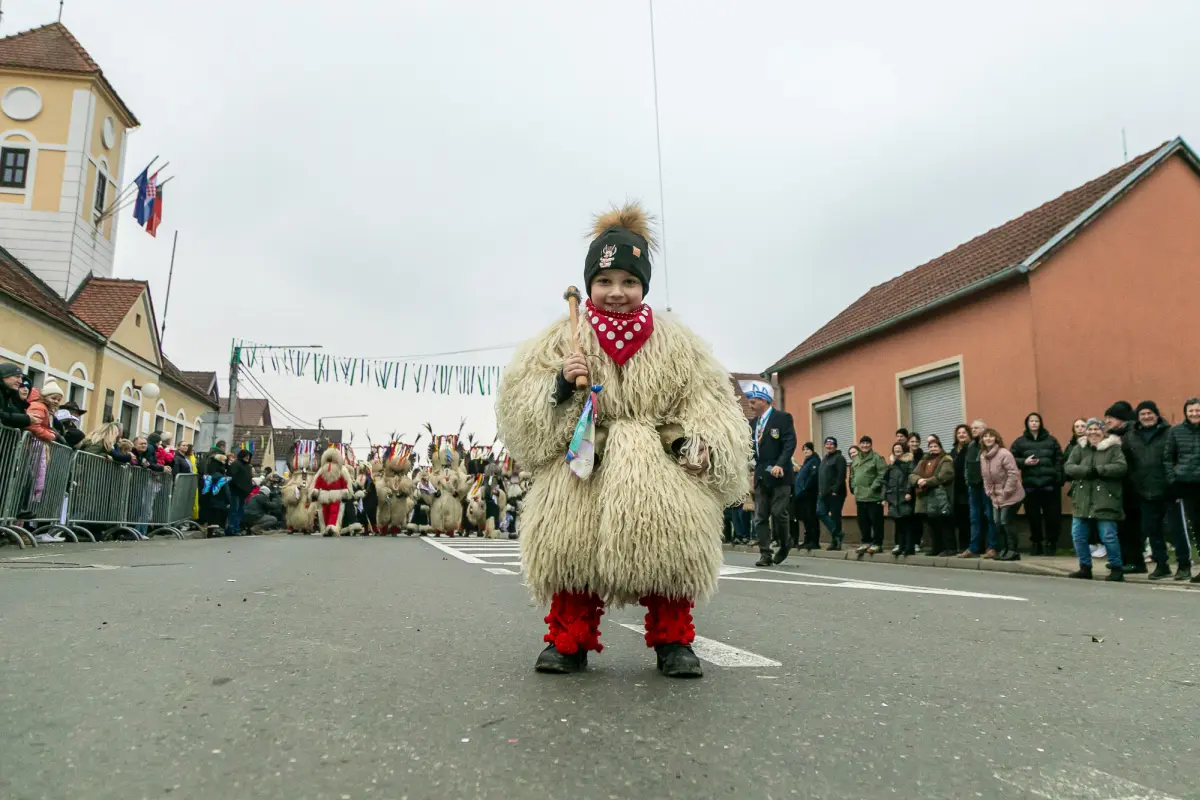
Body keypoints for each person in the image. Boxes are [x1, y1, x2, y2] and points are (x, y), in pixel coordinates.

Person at [494, 202, 750, 678]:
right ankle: (568, 639)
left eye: (629, 282)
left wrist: (696, 442)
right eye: (605, 281)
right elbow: (521, 401)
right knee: (573, 554)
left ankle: (674, 642)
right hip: (585, 463)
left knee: (671, 555)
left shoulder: (677, 343)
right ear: (589, 284)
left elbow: (707, 398)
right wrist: (560, 387)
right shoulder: (562, 338)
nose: (616, 292)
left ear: (644, 287)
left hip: (658, 466)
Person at [1064, 418, 1126, 581]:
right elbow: (1069, 467)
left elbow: (1121, 467)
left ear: (1103, 431)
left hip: (1106, 498)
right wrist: (1085, 471)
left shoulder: (1113, 449)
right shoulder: (1079, 448)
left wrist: (1099, 470)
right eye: (1089, 429)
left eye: (1096, 429)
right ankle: (1085, 567)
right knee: (1078, 536)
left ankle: (1116, 568)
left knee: (1108, 536)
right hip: (1082, 499)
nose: (1093, 432)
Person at [1122, 401, 1176, 580]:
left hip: (1167, 488)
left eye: (1149, 413)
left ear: (1157, 414)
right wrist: (1135, 480)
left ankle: (1184, 564)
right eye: (1142, 414)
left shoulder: (1169, 433)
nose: (1146, 417)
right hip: (1144, 490)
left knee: (1176, 529)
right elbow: (1127, 461)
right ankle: (1162, 565)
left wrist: (1173, 481)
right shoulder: (1131, 436)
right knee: (1151, 529)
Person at [746, 382, 796, 567]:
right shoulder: (752, 424)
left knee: (778, 513)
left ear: (764, 401)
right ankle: (765, 554)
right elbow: (750, 449)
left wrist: (780, 464)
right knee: (760, 517)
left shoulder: (782, 418)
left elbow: (789, 443)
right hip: (760, 475)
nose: (750, 406)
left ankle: (785, 543)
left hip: (779, 474)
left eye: (753, 402)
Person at [1009, 413, 1063, 555]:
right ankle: (1036, 543)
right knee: (1033, 517)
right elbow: (1010, 459)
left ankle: (1051, 543)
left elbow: (1059, 459)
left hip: (1049, 485)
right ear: (1027, 423)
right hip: (1030, 486)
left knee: (1052, 517)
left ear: (1041, 423)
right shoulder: (1020, 442)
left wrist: (1057, 477)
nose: (1034, 423)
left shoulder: (1051, 440)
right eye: (1031, 421)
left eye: (1036, 421)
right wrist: (1024, 462)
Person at [1104, 402, 1144, 573]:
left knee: (1131, 527)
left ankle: (1136, 561)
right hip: (1120, 489)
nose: (1106, 421)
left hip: (1132, 489)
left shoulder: (1130, 435)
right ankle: (1124, 559)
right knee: (1122, 526)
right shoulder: (1116, 435)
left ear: (1121, 418)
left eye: (1110, 417)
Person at [1163, 398, 1200, 582]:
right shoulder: (1176, 432)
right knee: (1192, 527)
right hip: (1185, 485)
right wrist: (1173, 479)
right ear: (1186, 413)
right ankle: (1185, 566)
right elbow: (1168, 457)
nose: (1195, 414)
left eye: (1198, 410)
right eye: (1191, 411)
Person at [980, 428, 1025, 561]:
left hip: (1011, 494)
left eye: (991, 436)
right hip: (996, 495)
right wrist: (988, 490)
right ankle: (1004, 549)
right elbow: (985, 476)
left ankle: (1013, 550)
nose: (988, 439)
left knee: (1006, 521)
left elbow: (1013, 474)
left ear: (996, 438)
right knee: (997, 522)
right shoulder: (983, 455)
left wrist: (1006, 491)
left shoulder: (1004, 453)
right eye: (985, 437)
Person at [912, 434, 956, 556]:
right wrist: (918, 480)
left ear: (940, 447)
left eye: (935, 446)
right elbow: (912, 475)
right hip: (926, 497)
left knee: (944, 523)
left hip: (941, 496)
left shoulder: (946, 459)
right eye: (930, 446)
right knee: (932, 524)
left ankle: (949, 548)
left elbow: (944, 475)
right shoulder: (924, 460)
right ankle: (936, 548)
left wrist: (926, 481)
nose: (933, 448)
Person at [850, 435, 887, 555]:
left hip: (873, 496)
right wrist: (854, 487)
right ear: (860, 445)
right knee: (863, 521)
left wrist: (873, 487)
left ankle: (877, 544)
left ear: (871, 445)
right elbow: (852, 475)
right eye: (863, 443)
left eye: (867, 443)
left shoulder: (877, 458)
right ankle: (865, 542)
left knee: (876, 522)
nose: (865, 445)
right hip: (860, 496)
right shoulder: (856, 459)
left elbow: (882, 474)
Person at [965, 419, 996, 557]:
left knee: (990, 516)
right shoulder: (971, 446)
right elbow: (967, 465)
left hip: (987, 486)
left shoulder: (991, 445)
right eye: (972, 429)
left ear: (985, 429)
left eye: (976, 428)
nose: (974, 430)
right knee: (974, 518)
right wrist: (967, 480)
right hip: (973, 486)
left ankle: (992, 547)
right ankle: (973, 548)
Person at [883, 441, 917, 556]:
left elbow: (910, 477)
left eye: (899, 448)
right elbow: (885, 481)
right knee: (899, 525)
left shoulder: (909, 462)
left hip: (904, 496)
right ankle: (901, 546)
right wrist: (884, 497)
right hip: (894, 498)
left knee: (907, 523)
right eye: (895, 448)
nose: (897, 450)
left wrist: (908, 492)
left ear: (904, 450)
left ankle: (909, 547)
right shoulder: (891, 465)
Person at [817, 437, 848, 550]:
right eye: (827, 444)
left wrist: (835, 490)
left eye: (831, 444)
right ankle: (838, 533)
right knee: (820, 512)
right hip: (823, 493)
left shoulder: (839, 458)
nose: (829, 446)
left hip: (836, 493)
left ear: (835, 446)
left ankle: (836, 542)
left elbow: (841, 476)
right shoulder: (824, 459)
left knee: (835, 517)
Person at [793, 442, 821, 550]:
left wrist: (804, 488)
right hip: (802, 495)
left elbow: (813, 477)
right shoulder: (806, 461)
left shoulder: (815, 461)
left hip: (809, 495)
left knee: (811, 518)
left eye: (808, 449)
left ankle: (814, 541)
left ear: (812, 450)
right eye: (804, 449)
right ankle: (807, 540)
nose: (806, 451)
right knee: (805, 519)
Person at [951, 424, 972, 551]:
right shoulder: (953, 451)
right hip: (956, 489)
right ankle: (962, 546)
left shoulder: (971, 448)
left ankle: (971, 546)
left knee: (969, 518)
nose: (961, 435)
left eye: (964, 432)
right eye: (959, 433)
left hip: (967, 488)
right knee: (959, 519)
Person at [226, 449, 254, 535]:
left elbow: (248, 478)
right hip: (235, 491)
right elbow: (232, 477)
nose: (247, 458)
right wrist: (239, 486)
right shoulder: (236, 464)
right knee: (234, 510)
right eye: (246, 456)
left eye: (249, 456)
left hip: (244, 493)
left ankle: (237, 528)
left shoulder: (248, 466)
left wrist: (249, 488)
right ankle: (231, 529)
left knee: (240, 511)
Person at [0, 362, 31, 429]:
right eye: (17, 377)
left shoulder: (8, 395)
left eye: (21, 378)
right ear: (4, 377)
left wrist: (28, 419)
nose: (20, 381)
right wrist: (26, 419)